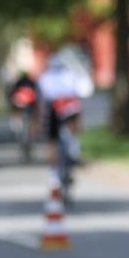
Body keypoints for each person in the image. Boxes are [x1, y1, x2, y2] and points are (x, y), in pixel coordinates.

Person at [37, 54, 83, 187]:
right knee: (73, 130)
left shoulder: (45, 78)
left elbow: (42, 101)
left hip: (54, 109)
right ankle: (74, 150)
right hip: (70, 107)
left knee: (52, 142)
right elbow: (78, 97)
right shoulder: (70, 75)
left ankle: (53, 177)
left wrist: (39, 121)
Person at [8, 70, 41, 145]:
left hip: (25, 104)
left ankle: (23, 129)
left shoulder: (20, 82)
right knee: (31, 116)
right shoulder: (31, 83)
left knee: (24, 116)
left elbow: (12, 93)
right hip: (26, 104)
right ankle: (31, 130)